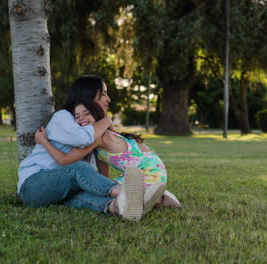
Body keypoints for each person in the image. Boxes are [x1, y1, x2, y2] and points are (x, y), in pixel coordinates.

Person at [17, 75, 165, 221]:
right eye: (104, 94)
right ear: (88, 95)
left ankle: (118, 207)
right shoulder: (63, 117)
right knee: (78, 169)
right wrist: (107, 121)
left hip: (59, 191)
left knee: (82, 194)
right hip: (33, 186)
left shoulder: (92, 128)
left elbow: (100, 168)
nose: (108, 99)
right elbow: (82, 138)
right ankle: (129, 194)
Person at [35, 100, 182, 209]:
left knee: (115, 195)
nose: (81, 118)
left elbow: (64, 160)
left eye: (87, 113)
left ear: (97, 115)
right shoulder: (103, 137)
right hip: (153, 169)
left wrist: (43, 142)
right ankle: (157, 195)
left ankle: (157, 199)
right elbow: (103, 173)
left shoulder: (97, 138)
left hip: (147, 172)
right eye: (77, 116)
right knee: (103, 188)